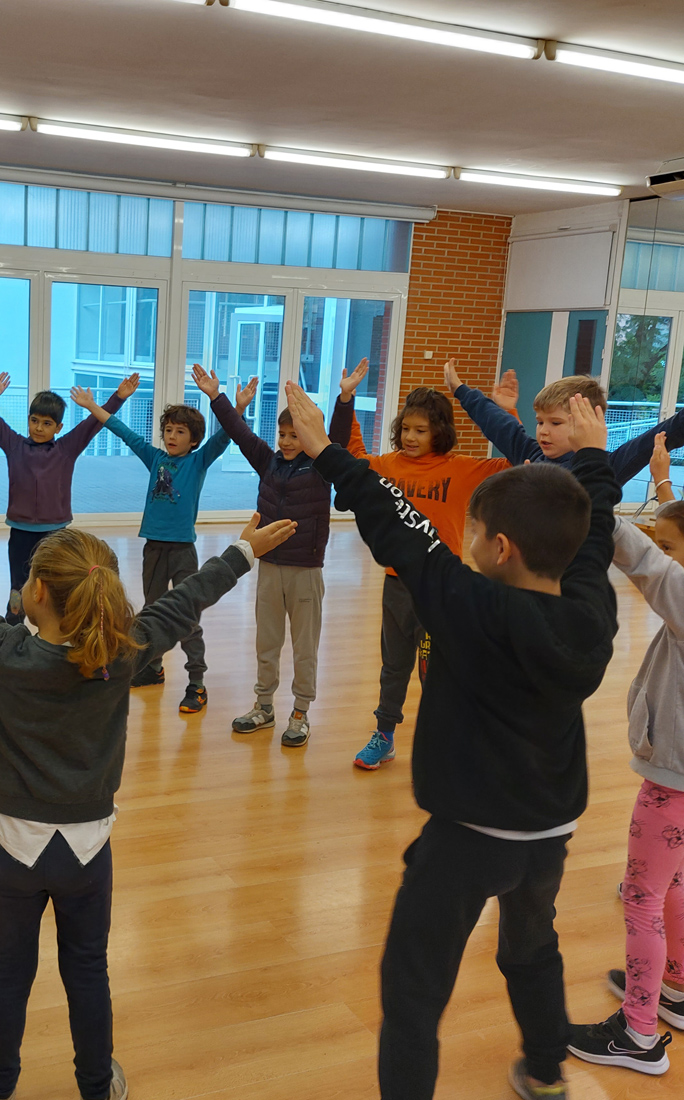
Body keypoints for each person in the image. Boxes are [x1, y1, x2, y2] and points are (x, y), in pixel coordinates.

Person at [0, 460, 296, 1100]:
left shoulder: (2, 652)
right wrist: (243, 551)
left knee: (8, 973)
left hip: (12, 852)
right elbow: (185, 600)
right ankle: (94, 1085)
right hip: (88, 853)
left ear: (35, 594)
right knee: (88, 970)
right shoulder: (126, 649)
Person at [286, 382, 620, 1100]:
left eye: (468, 531)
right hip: (550, 830)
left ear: (497, 547)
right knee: (532, 948)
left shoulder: (469, 605)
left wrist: (321, 448)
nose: (456, 541)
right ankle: (547, 1073)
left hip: (468, 837)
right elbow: (591, 535)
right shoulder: (589, 609)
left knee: (413, 986)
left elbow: (392, 520)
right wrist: (593, 460)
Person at [330, 359, 509, 769]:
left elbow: (515, 463)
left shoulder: (461, 469)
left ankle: (444, 738)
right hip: (397, 586)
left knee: (437, 671)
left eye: (421, 430)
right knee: (393, 666)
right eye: (406, 428)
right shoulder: (386, 466)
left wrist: (504, 411)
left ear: (439, 433)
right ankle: (385, 734)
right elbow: (349, 454)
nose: (410, 437)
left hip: (442, 589)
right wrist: (345, 399)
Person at [567, 433, 681, 1075]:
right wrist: (662, 484)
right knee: (674, 885)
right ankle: (677, 990)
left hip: (673, 782)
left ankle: (638, 1034)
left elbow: (646, 561)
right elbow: (667, 551)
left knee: (640, 898)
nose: (667, 556)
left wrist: (595, 481)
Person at [70, 377, 239, 714]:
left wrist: (239, 405)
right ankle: (153, 667)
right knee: (153, 609)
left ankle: (197, 683)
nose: (172, 437)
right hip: (153, 548)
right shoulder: (155, 458)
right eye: (169, 430)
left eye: (180, 432)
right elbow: (123, 431)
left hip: (182, 552)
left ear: (193, 440)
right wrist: (92, 407)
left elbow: (226, 435)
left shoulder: (198, 461)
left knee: (187, 615)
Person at [193, 363, 330, 746]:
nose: (286, 442)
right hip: (268, 566)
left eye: (295, 435)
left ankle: (301, 712)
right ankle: (264, 706)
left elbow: (335, 449)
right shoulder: (269, 462)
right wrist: (217, 397)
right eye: (282, 434)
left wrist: (345, 400)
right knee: (266, 642)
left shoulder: (322, 469)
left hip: (305, 571)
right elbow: (240, 433)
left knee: (305, 648)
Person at [0, 352, 139, 625]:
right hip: (21, 531)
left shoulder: (66, 449)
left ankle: (59, 634)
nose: (39, 427)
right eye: (34, 420)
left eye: (47, 423)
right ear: (28, 420)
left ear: (58, 427)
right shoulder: (14, 446)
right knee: (19, 586)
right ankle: (12, 631)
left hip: (55, 532)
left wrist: (118, 398)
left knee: (57, 584)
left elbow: (93, 423)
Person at [445, 361, 684, 480]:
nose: (543, 432)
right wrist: (461, 390)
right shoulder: (532, 454)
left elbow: (662, 434)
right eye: (540, 422)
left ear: (586, 423)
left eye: (555, 423)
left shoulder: (601, 469)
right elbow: (497, 423)